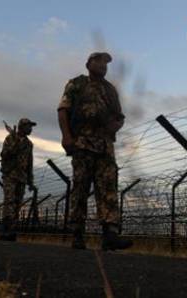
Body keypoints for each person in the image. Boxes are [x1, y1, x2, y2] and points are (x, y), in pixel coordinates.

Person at [57, 52, 133, 251]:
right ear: (88, 63)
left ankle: (110, 234)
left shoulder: (110, 90)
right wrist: (66, 136)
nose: (103, 65)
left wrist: (114, 127)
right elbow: (63, 110)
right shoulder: (77, 84)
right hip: (82, 142)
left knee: (108, 187)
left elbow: (119, 116)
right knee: (80, 188)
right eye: (98, 61)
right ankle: (77, 234)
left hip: (105, 146)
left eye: (106, 63)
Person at [0, 117, 36, 241]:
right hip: (10, 174)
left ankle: (12, 230)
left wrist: (30, 181)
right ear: (22, 127)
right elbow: (4, 154)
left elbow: (30, 163)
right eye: (29, 126)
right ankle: (6, 230)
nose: (30, 129)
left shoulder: (29, 144)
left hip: (22, 177)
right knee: (9, 201)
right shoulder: (10, 138)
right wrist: (15, 143)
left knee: (17, 203)